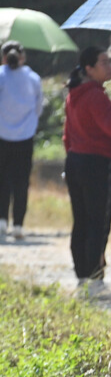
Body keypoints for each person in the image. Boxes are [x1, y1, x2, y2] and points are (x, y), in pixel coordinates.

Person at [63, 46, 111, 294]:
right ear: (89, 68)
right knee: (98, 223)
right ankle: (95, 281)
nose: (109, 66)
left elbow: (67, 136)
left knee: (82, 221)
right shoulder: (94, 95)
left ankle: (84, 278)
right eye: (103, 62)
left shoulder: (74, 93)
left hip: (75, 160)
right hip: (98, 162)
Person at [0, 40, 43, 241]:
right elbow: (38, 107)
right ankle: (18, 224)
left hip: (1, 137)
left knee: (2, 180)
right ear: (23, 57)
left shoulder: (1, 76)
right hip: (25, 137)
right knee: (21, 182)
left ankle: (1, 221)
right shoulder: (33, 78)